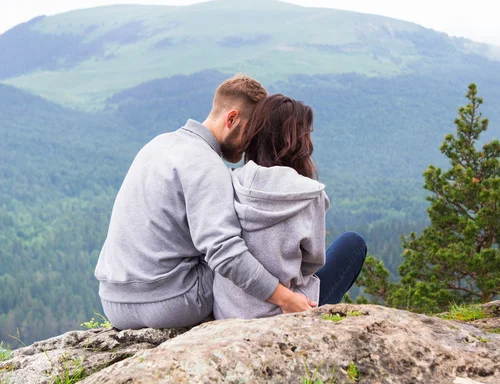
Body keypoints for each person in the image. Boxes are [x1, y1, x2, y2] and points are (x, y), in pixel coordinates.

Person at [94, 75, 316, 329]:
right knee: (260, 262)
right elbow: (225, 253)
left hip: (113, 302)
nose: (252, 142)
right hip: (169, 303)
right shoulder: (208, 166)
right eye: (251, 131)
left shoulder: (157, 145)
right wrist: (285, 298)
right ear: (232, 119)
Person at [213, 94, 367, 320]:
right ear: (297, 141)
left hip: (228, 312)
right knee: (353, 244)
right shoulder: (310, 193)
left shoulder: (229, 181)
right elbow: (312, 262)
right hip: (286, 311)